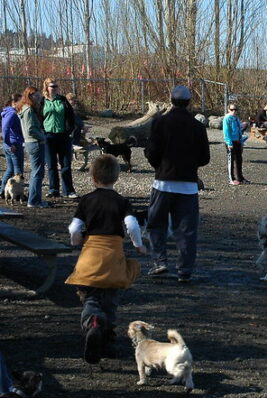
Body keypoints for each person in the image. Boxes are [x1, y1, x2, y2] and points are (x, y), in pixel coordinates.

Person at [65, 154, 146, 364]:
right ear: (116, 177)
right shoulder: (121, 201)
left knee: (90, 297)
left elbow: (74, 228)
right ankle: (107, 341)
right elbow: (133, 225)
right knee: (110, 300)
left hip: (90, 255)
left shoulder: (86, 200)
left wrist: (77, 241)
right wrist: (138, 245)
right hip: (113, 257)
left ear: (93, 178)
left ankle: (92, 323)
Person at [145, 85, 210, 283]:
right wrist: (189, 166)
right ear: (189, 102)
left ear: (171, 101)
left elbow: (151, 151)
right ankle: (185, 270)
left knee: (156, 224)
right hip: (188, 184)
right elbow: (205, 158)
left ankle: (160, 261)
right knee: (187, 231)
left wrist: (159, 167)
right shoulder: (197, 127)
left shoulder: (160, 122)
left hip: (163, 182)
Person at [39, 78, 77, 198]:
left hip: (63, 135)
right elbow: (38, 117)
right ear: (46, 88)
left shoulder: (62, 100)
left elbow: (71, 115)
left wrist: (70, 129)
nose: (55, 88)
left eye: (56, 86)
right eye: (52, 86)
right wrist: (41, 132)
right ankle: (53, 189)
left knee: (65, 164)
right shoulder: (42, 101)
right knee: (51, 164)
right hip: (48, 135)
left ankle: (68, 190)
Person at [18, 87, 47, 208]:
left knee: (36, 171)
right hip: (35, 142)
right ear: (30, 96)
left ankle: (33, 197)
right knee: (37, 172)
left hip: (31, 143)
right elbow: (30, 129)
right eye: (37, 96)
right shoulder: (29, 110)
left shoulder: (24, 109)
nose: (39, 98)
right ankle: (34, 201)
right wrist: (42, 137)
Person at [1, 94, 24, 194]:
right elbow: (5, 129)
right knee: (18, 171)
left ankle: (3, 191)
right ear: (14, 103)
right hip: (13, 144)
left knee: (10, 169)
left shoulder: (7, 112)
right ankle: (18, 194)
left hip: (9, 144)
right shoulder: (12, 113)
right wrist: (9, 144)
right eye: (21, 102)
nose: (23, 105)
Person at [223, 102, 249, 185]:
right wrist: (229, 143)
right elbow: (226, 132)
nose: (233, 111)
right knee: (231, 161)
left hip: (238, 141)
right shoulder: (227, 119)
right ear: (228, 110)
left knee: (239, 160)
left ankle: (240, 178)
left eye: (235, 109)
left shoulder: (236, 118)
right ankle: (231, 179)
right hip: (231, 142)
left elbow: (239, 131)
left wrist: (241, 142)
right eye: (232, 109)